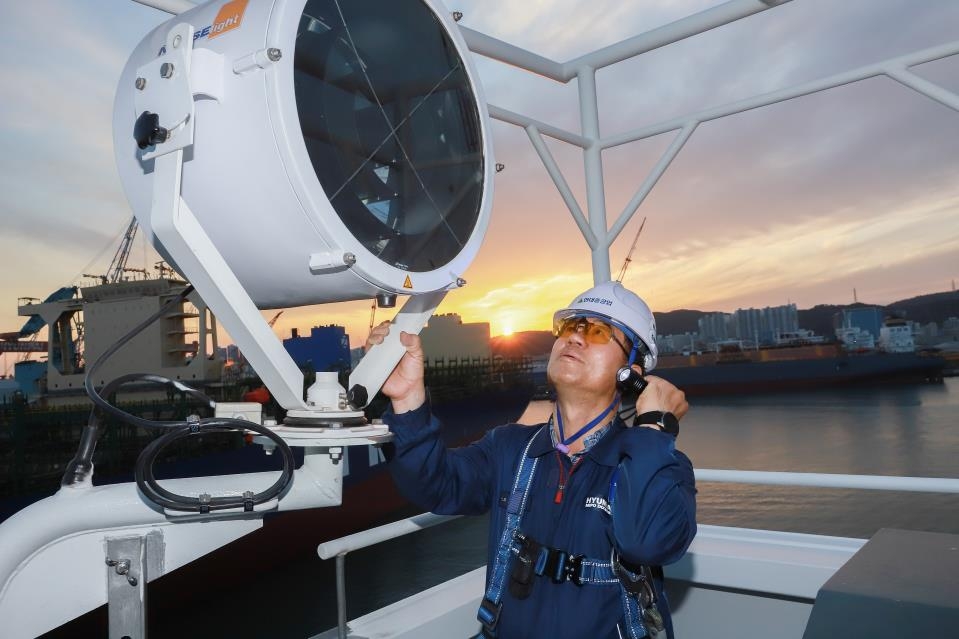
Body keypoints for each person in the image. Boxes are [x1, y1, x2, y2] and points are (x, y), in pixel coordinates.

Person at [373, 281, 696, 638]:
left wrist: (652, 430)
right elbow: (433, 485)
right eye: (570, 327)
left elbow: (646, 542)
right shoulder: (510, 449)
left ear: (632, 374)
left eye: (599, 331)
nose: (575, 337)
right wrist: (406, 401)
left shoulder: (663, 469)